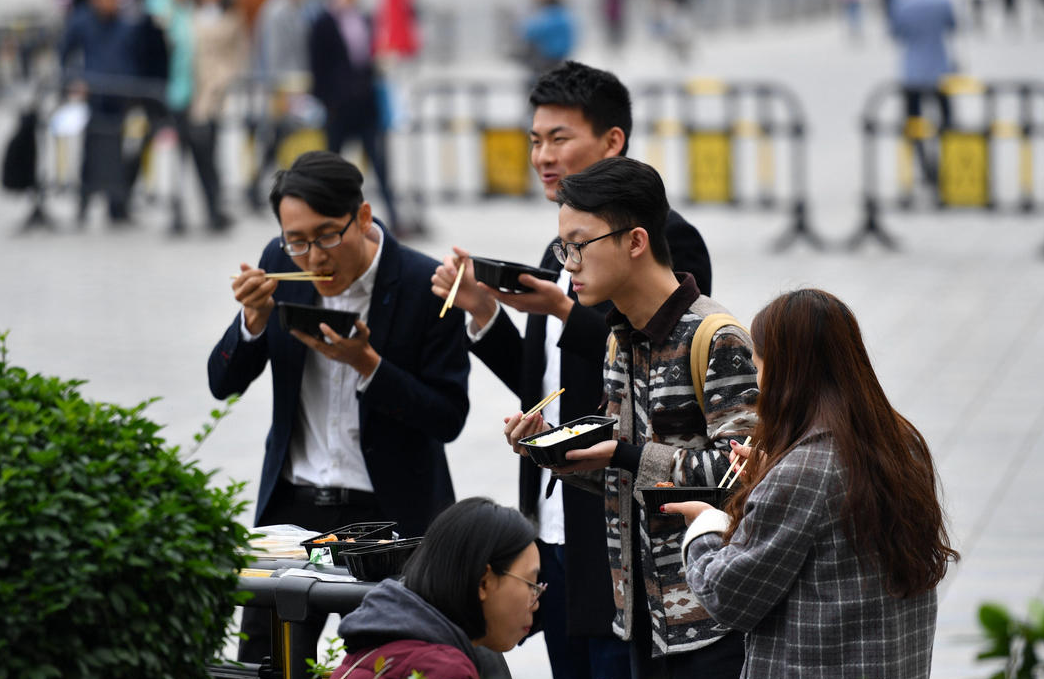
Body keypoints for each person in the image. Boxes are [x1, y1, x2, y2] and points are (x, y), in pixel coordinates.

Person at [431, 61, 713, 679]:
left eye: (559, 138)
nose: (543, 156)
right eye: (535, 140)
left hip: (618, 527)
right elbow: (549, 382)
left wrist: (562, 307)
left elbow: (659, 364)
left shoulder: (666, 238)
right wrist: (483, 312)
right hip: (553, 523)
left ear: (612, 140)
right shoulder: (556, 248)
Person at [207, 150, 470, 661]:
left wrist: (368, 365)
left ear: (363, 217)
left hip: (389, 519)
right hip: (293, 506)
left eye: (328, 236)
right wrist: (252, 323)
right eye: (298, 240)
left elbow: (448, 416)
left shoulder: (424, 284)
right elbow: (222, 384)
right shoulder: (279, 263)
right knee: (268, 663)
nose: (314, 257)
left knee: (392, 664)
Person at [508, 156, 758, 678]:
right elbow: (628, 476)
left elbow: (745, 473)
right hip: (638, 617)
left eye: (578, 245)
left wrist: (625, 453)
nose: (568, 264)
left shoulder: (715, 337)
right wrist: (554, 452)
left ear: (636, 241)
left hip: (712, 620)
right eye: (562, 248)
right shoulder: (619, 339)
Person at [668, 288, 960, 677]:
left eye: (759, 366)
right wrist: (771, 474)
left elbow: (728, 596)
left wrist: (706, 524)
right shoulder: (902, 442)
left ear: (786, 372)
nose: (758, 382)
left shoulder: (804, 472)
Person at [332, 498, 541, 679]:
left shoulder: (380, 637)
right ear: (483, 582)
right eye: (531, 584)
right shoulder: (444, 670)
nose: (536, 603)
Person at [309, 0, 400, 234]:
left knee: (380, 163)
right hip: (339, 109)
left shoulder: (364, 20)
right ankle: (327, 218)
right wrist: (328, 102)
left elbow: (369, 61)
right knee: (332, 167)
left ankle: (394, 216)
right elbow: (317, 68)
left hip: (365, 107)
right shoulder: (323, 24)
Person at [59, 0, 139, 225]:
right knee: (92, 151)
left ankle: (118, 205)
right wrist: (74, 80)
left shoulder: (126, 24)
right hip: (95, 97)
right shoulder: (82, 22)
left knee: (121, 152)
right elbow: (65, 54)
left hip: (121, 97)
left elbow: (135, 57)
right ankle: (84, 202)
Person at [890, 0, 956, 189]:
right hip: (940, 70)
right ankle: (946, 163)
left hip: (912, 73)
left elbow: (895, 33)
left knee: (913, 123)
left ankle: (924, 167)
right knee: (947, 120)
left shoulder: (902, 6)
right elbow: (952, 26)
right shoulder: (942, 4)